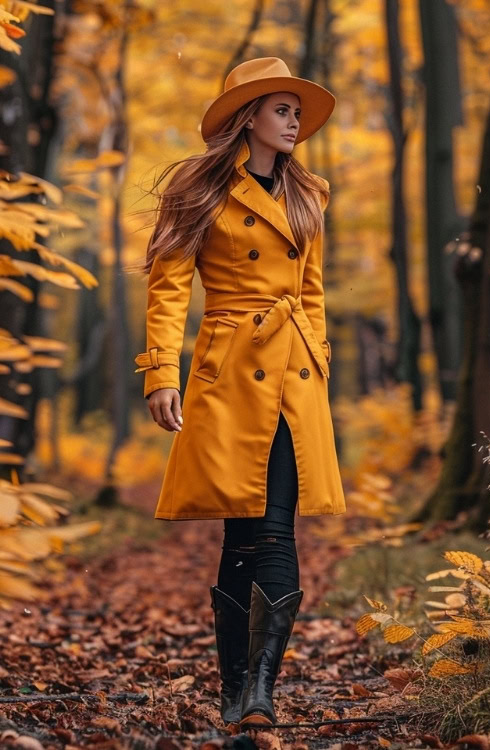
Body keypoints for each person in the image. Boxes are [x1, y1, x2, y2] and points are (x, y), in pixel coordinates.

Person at [133, 57, 346, 729]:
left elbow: (311, 295)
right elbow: (167, 288)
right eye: (282, 110)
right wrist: (160, 372)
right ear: (247, 116)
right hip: (228, 371)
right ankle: (233, 689)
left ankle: (259, 691)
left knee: (277, 531)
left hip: (293, 376)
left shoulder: (310, 194)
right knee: (241, 536)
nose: (294, 122)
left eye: (296, 112)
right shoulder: (199, 189)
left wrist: (320, 359)